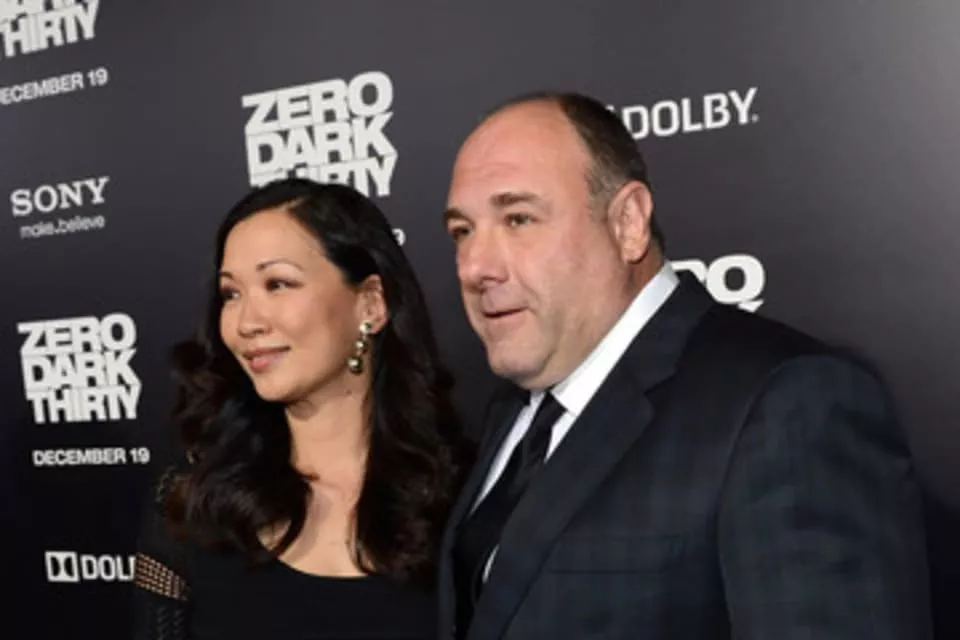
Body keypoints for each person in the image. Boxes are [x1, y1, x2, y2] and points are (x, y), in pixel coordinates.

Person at [438, 92, 933, 640]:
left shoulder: (786, 404)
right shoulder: (515, 411)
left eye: (518, 219)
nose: (474, 266)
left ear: (628, 223)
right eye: (462, 232)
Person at [131, 178, 469, 639]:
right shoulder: (193, 500)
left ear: (370, 304)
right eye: (231, 294)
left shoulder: (467, 497)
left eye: (278, 283)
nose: (247, 322)